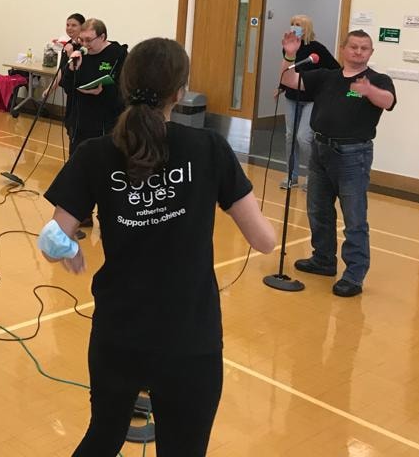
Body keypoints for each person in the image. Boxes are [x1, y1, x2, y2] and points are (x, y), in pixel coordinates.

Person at [41, 37, 275, 457]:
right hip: (189, 335)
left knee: (103, 436)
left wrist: (71, 250)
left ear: (125, 86)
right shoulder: (208, 148)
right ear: (179, 93)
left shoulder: (95, 153)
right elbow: (264, 241)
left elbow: (51, 240)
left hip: (118, 330)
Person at [282, 29, 396, 298]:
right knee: (318, 210)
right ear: (343, 49)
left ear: (370, 53)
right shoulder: (327, 77)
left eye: (364, 48)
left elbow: (388, 101)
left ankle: (354, 275)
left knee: (354, 218)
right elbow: (290, 80)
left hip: (353, 156)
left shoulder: (378, 80)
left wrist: (368, 90)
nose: (358, 52)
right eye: (353, 46)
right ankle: (323, 260)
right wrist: (289, 55)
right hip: (320, 150)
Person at [276, 15, 340, 191]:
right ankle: (292, 176)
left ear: (306, 28)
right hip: (292, 97)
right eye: (292, 24)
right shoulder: (288, 47)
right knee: (290, 137)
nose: (294, 27)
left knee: (303, 137)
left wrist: (325, 88)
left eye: (298, 25)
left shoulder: (317, 48)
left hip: (312, 99)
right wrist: (280, 87)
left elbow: (335, 69)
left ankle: (314, 175)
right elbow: (288, 69)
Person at [61, 19, 127, 155]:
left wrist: (103, 92)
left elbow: (125, 91)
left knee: (101, 161)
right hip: (79, 122)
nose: (85, 44)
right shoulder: (79, 54)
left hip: (106, 123)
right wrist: (71, 69)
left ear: (102, 37)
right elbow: (67, 87)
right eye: (81, 40)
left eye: (89, 40)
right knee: (77, 161)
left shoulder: (118, 55)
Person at [46, 13, 86, 146]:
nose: (69, 28)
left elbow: (79, 71)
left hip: (82, 96)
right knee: (70, 127)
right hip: (70, 96)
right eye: (68, 25)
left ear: (82, 27)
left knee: (79, 131)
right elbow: (61, 71)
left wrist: (71, 54)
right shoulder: (68, 45)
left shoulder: (85, 48)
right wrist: (50, 89)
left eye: (74, 25)